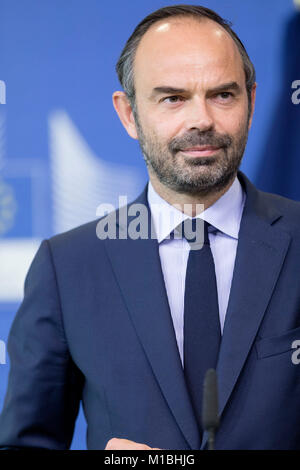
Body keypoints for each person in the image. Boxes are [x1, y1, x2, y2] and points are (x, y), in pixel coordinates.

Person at [0, 4, 300, 450]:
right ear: (128, 114)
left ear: (251, 103)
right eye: (173, 98)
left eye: (222, 95)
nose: (201, 119)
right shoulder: (68, 267)